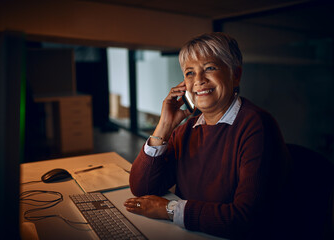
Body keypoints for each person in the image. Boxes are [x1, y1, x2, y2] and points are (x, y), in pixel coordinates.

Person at [124, 32, 291, 239]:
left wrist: (169, 210)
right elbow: (142, 187)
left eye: (210, 68)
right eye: (190, 72)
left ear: (235, 74)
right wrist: (165, 125)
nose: (199, 80)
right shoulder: (188, 128)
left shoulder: (256, 125)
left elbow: (245, 218)